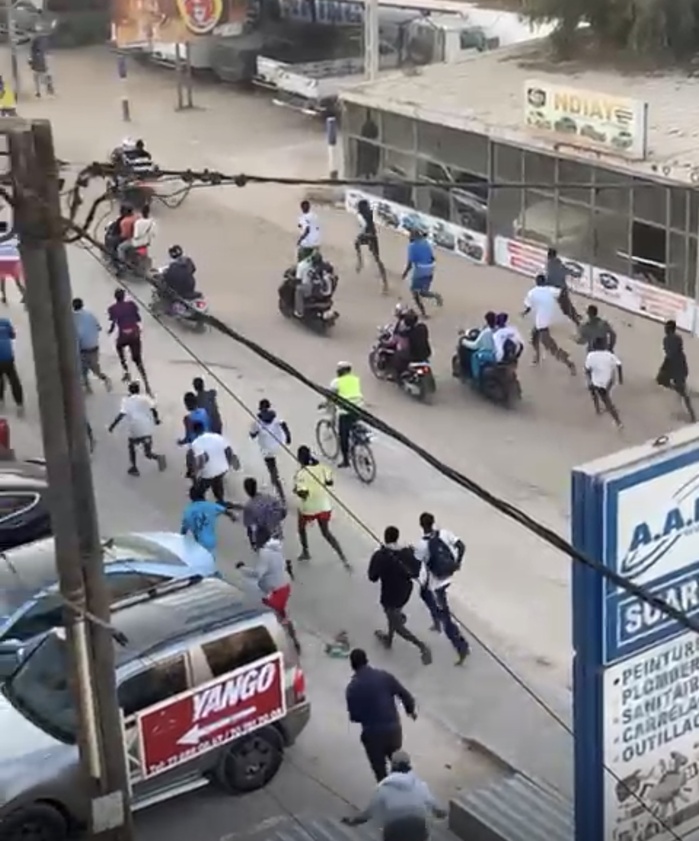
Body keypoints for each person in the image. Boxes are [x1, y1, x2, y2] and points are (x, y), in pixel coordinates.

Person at [342, 749, 446, 841]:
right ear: (409, 765)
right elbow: (435, 807)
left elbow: (369, 812)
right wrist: (441, 814)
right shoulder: (420, 785)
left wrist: (355, 820)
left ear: (392, 766)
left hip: (394, 829)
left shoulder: (384, 788)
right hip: (418, 826)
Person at [345, 648, 417, 783]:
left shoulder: (352, 688)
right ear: (367, 660)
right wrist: (410, 710)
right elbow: (404, 695)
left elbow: (354, 717)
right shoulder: (384, 676)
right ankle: (408, 789)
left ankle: (388, 796)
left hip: (372, 735)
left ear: (352, 665)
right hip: (393, 730)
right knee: (400, 766)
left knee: (381, 773)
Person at [368, 526, 431, 665]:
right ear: (397, 537)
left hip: (389, 594)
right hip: (405, 591)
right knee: (393, 615)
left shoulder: (380, 555)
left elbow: (372, 577)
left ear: (385, 537)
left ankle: (422, 646)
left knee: (396, 624)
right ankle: (389, 640)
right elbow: (415, 572)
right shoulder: (408, 552)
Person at [414, 512, 469, 665]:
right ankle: (436, 621)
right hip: (448, 575)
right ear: (433, 523)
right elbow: (461, 546)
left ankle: (461, 647)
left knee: (446, 619)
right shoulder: (444, 533)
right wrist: (457, 562)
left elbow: (418, 565)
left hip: (436, 583)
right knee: (424, 594)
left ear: (421, 525)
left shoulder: (422, 544)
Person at [236, 524, 301, 654]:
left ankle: (278, 646)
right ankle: (294, 640)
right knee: (282, 613)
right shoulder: (276, 548)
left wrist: (242, 569)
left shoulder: (264, 553)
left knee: (269, 617)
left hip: (274, 592)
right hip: (284, 587)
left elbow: (259, 574)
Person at [293, 444, 349, 567]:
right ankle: (342, 556)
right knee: (326, 533)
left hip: (309, 508)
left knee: (301, 528)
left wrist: (296, 490)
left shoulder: (300, 474)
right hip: (324, 506)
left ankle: (305, 551)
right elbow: (330, 482)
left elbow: (304, 495)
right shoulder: (322, 467)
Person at [108, 381, 166, 476]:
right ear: (138, 390)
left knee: (131, 446)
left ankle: (134, 467)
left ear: (129, 390)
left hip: (135, 429)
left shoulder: (126, 400)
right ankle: (158, 457)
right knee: (147, 452)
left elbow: (121, 415)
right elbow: (153, 409)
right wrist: (156, 420)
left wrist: (112, 426)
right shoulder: (145, 398)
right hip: (147, 427)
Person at [522, 274, 576, 374]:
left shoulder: (532, 293)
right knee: (534, 337)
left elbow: (528, 306)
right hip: (547, 320)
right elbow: (561, 292)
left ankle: (569, 362)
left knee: (551, 348)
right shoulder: (550, 290)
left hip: (542, 323)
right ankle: (537, 356)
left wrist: (524, 313)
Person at [107, 288, 150, 391]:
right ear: (124, 296)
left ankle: (126, 370)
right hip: (134, 333)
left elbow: (113, 323)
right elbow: (138, 318)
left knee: (119, 347)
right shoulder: (131, 305)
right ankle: (146, 383)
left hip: (124, 336)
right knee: (138, 360)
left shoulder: (112, 308)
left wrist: (110, 331)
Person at [249, 398, 291, 501]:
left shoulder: (257, 421)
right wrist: (288, 437)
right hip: (278, 445)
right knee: (273, 468)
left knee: (272, 470)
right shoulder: (276, 416)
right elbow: (284, 425)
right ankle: (275, 482)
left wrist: (253, 432)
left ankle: (280, 492)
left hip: (267, 450)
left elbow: (253, 435)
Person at [190, 421, 239, 506]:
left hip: (209, 472)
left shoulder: (196, 443)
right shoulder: (217, 437)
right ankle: (221, 501)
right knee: (217, 482)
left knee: (199, 490)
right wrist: (232, 462)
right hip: (223, 468)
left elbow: (202, 459)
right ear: (204, 428)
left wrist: (196, 472)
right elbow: (228, 450)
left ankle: (202, 506)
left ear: (194, 431)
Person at [657, 319, 696, 422]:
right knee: (663, 380)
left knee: (682, 391)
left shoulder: (668, 340)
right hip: (678, 364)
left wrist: (665, 367)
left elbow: (670, 354)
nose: (664, 329)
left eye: (666, 327)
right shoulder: (676, 338)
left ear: (669, 329)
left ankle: (692, 415)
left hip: (676, 365)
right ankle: (678, 391)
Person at [72, 298, 112, 395]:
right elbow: (99, 327)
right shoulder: (90, 314)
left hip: (82, 349)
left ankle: (88, 390)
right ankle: (104, 379)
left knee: (83, 370)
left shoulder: (72, 317)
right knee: (95, 369)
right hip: (93, 347)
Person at [181, 485, 229, 560]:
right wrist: (233, 516)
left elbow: (184, 528)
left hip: (198, 542)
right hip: (211, 541)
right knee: (210, 562)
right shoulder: (211, 506)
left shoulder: (189, 510)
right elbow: (224, 510)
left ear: (191, 497)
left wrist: (182, 538)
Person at [584, 335, 623, 429]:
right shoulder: (609, 355)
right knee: (607, 401)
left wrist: (588, 380)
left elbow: (587, 369)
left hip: (595, 381)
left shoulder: (590, 356)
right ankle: (618, 421)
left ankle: (598, 409)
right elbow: (619, 365)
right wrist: (621, 379)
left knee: (594, 394)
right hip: (606, 381)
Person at [401, 229, 442, 317]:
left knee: (414, 292)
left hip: (421, 270)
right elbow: (433, 258)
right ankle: (436, 296)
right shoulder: (426, 243)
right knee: (423, 292)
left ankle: (423, 313)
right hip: (431, 269)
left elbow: (410, 264)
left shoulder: (411, 246)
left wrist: (404, 274)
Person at [330, 362, 363, 469]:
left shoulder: (336, 382)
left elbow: (331, 396)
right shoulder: (355, 379)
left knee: (343, 436)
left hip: (345, 412)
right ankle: (359, 443)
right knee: (355, 427)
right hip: (358, 409)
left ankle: (346, 460)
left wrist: (325, 404)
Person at [242, 476, 286, 548]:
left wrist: (253, 544)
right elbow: (283, 512)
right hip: (276, 533)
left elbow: (250, 527)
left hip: (264, 538)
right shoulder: (268, 497)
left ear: (246, 490)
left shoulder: (248, 507)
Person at [355, 198, 387, 292]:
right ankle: (385, 283)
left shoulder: (360, 215)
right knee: (377, 259)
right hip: (373, 236)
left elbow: (364, 226)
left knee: (357, 243)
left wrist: (361, 234)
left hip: (367, 235)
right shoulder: (370, 213)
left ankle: (360, 262)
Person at [392, 310, 431, 381]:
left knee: (396, 356)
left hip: (413, 356)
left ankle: (398, 377)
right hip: (426, 353)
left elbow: (396, 338)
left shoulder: (406, 334)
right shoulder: (423, 327)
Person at [458, 311, 497, 382]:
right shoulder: (498, 329)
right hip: (498, 353)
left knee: (474, 356)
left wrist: (464, 342)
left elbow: (475, 345)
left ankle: (476, 377)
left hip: (490, 353)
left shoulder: (486, 333)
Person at [546, 247, 580, 326]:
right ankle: (575, 315)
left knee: (565, 308)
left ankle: (577, 322)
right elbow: (567, 271)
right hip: (561, 289)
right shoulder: (558, 264)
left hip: (557, 289)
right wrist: (575, 274)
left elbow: (550, 277)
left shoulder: (550, 265)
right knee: (567, 304)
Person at [0, 316, 23, 414]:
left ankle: (0, 399)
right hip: (8, 357)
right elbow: (13, 335)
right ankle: (19, 403)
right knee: (14, 380)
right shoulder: (5, 322)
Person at [294, 248, 325, 318]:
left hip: (310, 287)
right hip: (321, 287)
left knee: (298, 289)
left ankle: (299, 311)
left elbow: (298, 279)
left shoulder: (301, 265)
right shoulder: (318, 264)